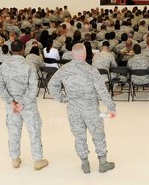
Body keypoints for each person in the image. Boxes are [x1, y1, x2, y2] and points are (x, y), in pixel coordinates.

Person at [47, 43, 117, 174]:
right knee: (98, 135)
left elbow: (51, 85)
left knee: (79, 137)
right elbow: (102, 90)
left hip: (73, 109)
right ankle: (103, 163)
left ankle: (85, 164)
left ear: (72, 54)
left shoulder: (64, 69)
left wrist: (62, 98)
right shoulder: (91, 70)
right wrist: (111, 107)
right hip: (91, 110)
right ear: (85, 54)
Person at [0, 41, 48, 171]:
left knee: (13, 132)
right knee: (34, 131)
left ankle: (15, 159)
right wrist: (22, 103)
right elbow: (33, 88)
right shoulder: (29, 65)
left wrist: (12, 102)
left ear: (11, 50)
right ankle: (37, 160)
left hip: (12, 107)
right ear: (23, 49)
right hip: (28, 106)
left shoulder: (4, 66)